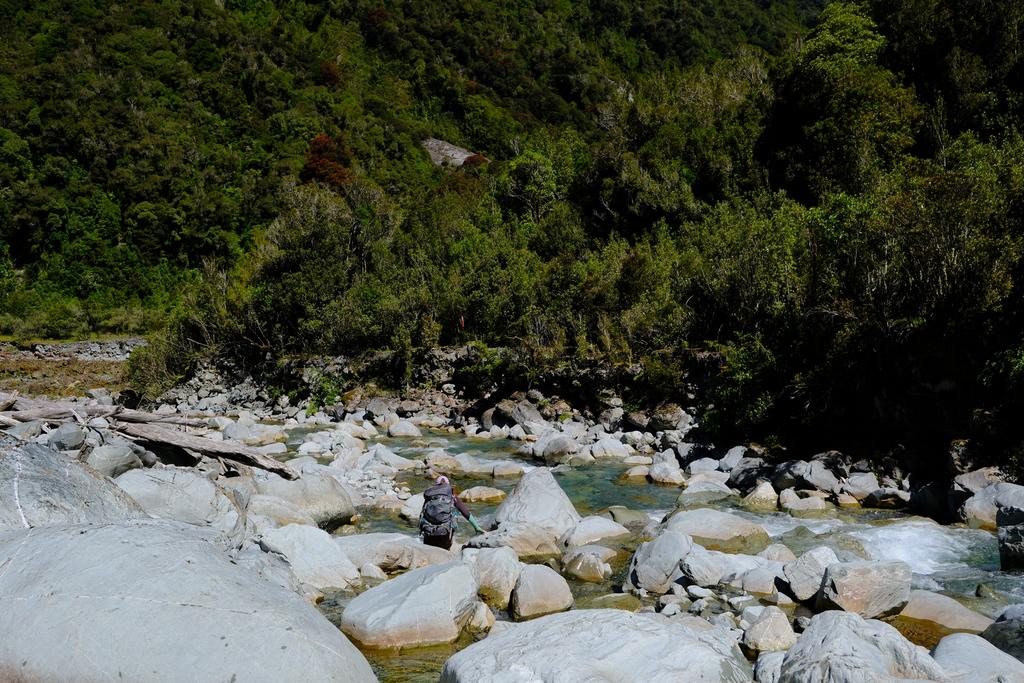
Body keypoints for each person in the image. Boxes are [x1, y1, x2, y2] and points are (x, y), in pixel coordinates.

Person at [419, 475, 484, 550]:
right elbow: (465, 513)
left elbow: (422, 515)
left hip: (428, 533)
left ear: (436, 485)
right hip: (445, 534)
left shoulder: (429, 496)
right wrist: (477, 527)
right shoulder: (452, 497)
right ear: (448, 485)